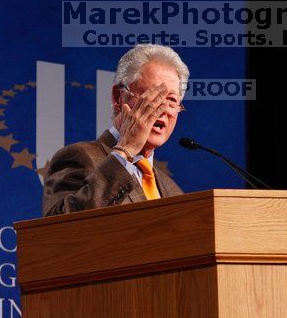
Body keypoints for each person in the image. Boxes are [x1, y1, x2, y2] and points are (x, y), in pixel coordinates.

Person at [42, 44, 189, 216]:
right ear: (118, 97)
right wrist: (126, 150)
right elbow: (57, 230)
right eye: (151, 96)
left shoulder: (173, 190)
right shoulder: (79, 157)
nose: (162, 108)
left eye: (171, 100)